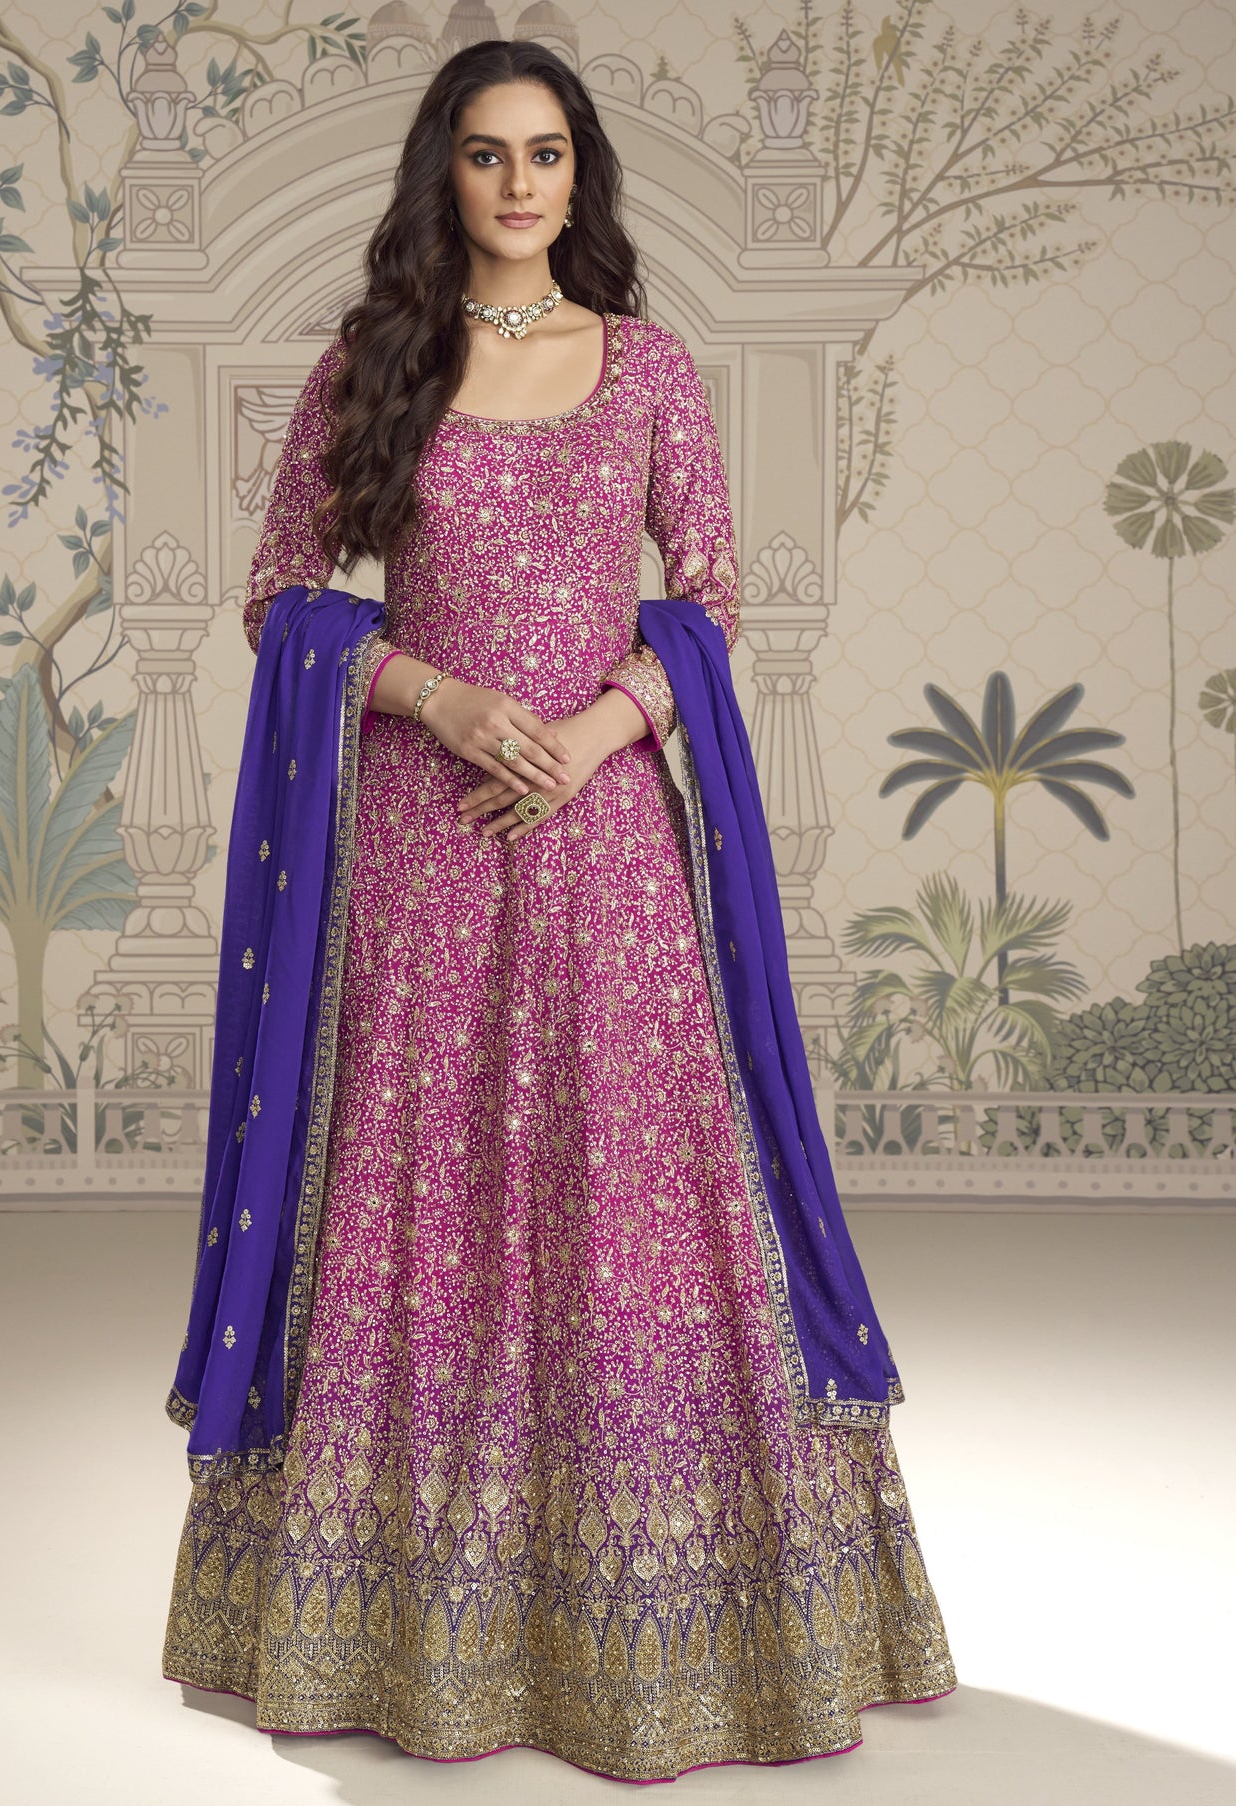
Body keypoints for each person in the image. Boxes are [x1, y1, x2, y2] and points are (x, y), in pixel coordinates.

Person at [161, 37, 956, 1783]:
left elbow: (716, 597)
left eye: (544, 154)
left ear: (578, 174)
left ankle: (681, 1623)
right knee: (414, 1177)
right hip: (422, 834)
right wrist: (442, 704)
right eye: (483, 155)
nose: (518, 184)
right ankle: (390, 1626)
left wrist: (598, 731)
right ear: (440, 176)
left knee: (630, 1186)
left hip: (600, 845)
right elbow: (280, 592)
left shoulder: (653, 367)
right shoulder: (373, 361)